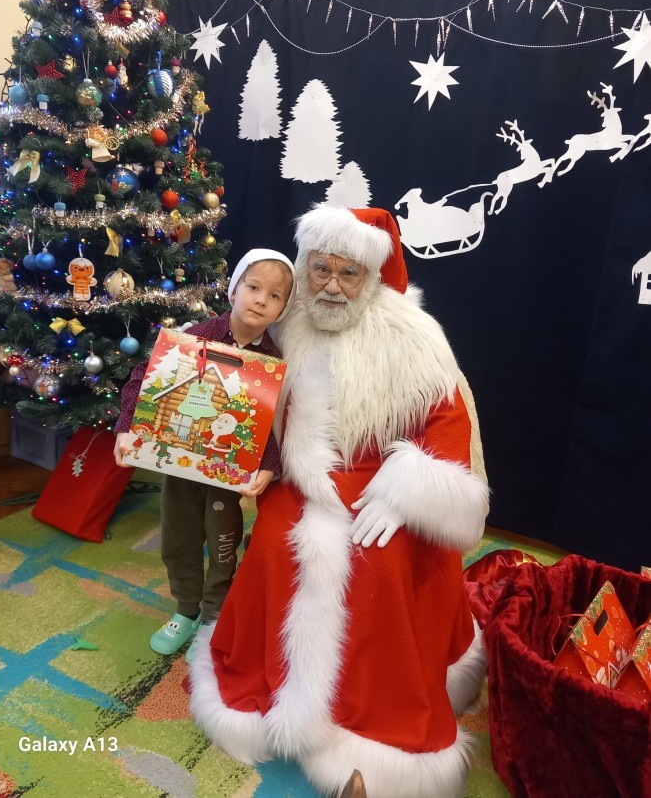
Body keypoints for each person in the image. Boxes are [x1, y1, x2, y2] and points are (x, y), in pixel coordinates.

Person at [189, 206, 490, 798]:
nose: (331, 285)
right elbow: (238, 384)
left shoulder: (414, 337)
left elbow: (448, 423)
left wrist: (406, 493)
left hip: (384, 483)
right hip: (299, 479)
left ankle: (371, 732)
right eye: (320, 269)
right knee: (275, 547)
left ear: (371, 276)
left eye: (348, 273)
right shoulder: (285, 321)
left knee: (381, 565)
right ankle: (273, 694)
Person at [113, 249, 296, 658]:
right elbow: (143, 378)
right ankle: (186, 609)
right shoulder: (198, 334)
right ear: (234, 290)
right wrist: (126, 427)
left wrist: (268, 466)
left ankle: (214, 618)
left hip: (226, 475)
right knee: (178, 539)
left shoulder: (270, 360)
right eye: (253, 287)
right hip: (180, 466)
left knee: (223, 544)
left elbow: (265, 419)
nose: (261, 300)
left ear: (283, 308)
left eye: (275, 295)